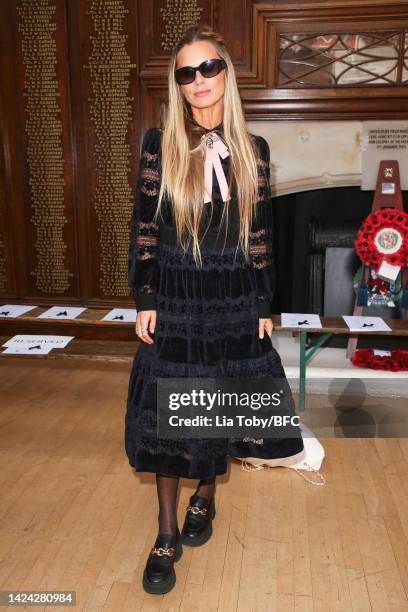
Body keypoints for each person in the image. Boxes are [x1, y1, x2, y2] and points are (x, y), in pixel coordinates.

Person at [124, 24, 304, 595]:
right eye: (186, 72)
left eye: (208, 68)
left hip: (231, 297)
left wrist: (262, 301)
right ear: (177, 85)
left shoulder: (255, 150)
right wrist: (145, 296)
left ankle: (207, 495)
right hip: (175, 296)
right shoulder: (160, 143)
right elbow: (145, 227)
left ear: (225, 74)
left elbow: (260, 235)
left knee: (218, 402)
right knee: (169, 415)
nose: (198, 81)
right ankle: (165, 532)